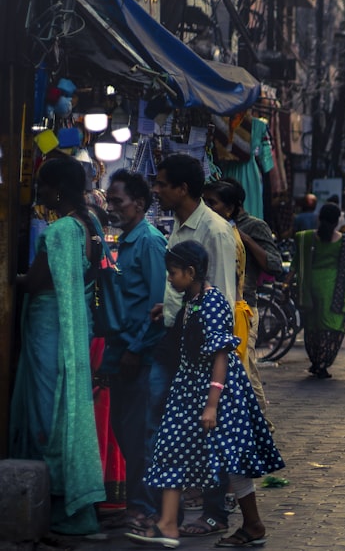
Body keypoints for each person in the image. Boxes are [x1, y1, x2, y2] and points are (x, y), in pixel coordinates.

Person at [125, 242, 284, 549]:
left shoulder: (211, 302)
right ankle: (168, 524)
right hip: (190, 389)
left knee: (232, 459)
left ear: (190, 272)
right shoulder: (194, 300)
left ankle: (253, 525)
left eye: (173, 273)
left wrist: (212, 404)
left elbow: (221, 355)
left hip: (216, 390)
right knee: (171, 446)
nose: (169, 278)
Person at [10, 156, 105, 535]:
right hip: (74, 325)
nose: (40, 192)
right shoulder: (90, 224)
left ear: (59, 189)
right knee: (65, 406)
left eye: (44, 186)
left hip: (51, 330)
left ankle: (56, 504)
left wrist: (10, 277)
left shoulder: (61, 230)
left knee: (47, 413)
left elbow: (35, 282)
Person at [149, 154, 238, 538]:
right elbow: (186, 290)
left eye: (162, 184)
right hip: (177, 342)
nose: (157, 190)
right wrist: (167, 307)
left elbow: (220, 298)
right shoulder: (182, 226)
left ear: (182, 189)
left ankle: (215, 512)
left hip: (200, 354)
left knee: (208, 429)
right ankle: (170, 514)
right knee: (171, 426)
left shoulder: (214, 231)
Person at [102, 169, 168, 531]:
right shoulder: (125, 241)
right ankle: (140, 505)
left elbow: (160, 306)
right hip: (123, 352)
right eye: (109, 201)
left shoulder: (150, 242)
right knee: (126, 431)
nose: (112, 207)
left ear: (139, 204)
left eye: (118, 201)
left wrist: (136, 350)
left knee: (141, 434)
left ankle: (144, 509)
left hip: (141, 356)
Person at [202, 178, 283, 418]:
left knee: (243, 367)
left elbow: (275, 264)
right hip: (218, 305)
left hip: (242, 307)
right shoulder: (211, 225)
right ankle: (258, 421)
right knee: (243, 367)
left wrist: (244, 239)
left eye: (213, 203)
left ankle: (258, 423)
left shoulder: (254, 226)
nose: (208, 207)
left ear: (231, 206)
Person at [294, 203, 345, 379]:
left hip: (310, 287)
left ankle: (315, 361)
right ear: (337, 221)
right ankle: (323, 363)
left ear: (319, 218)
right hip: (334, 288)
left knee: (312, 326)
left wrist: (286, 285)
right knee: (333, 326)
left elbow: (296, 264)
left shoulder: (306, 238)